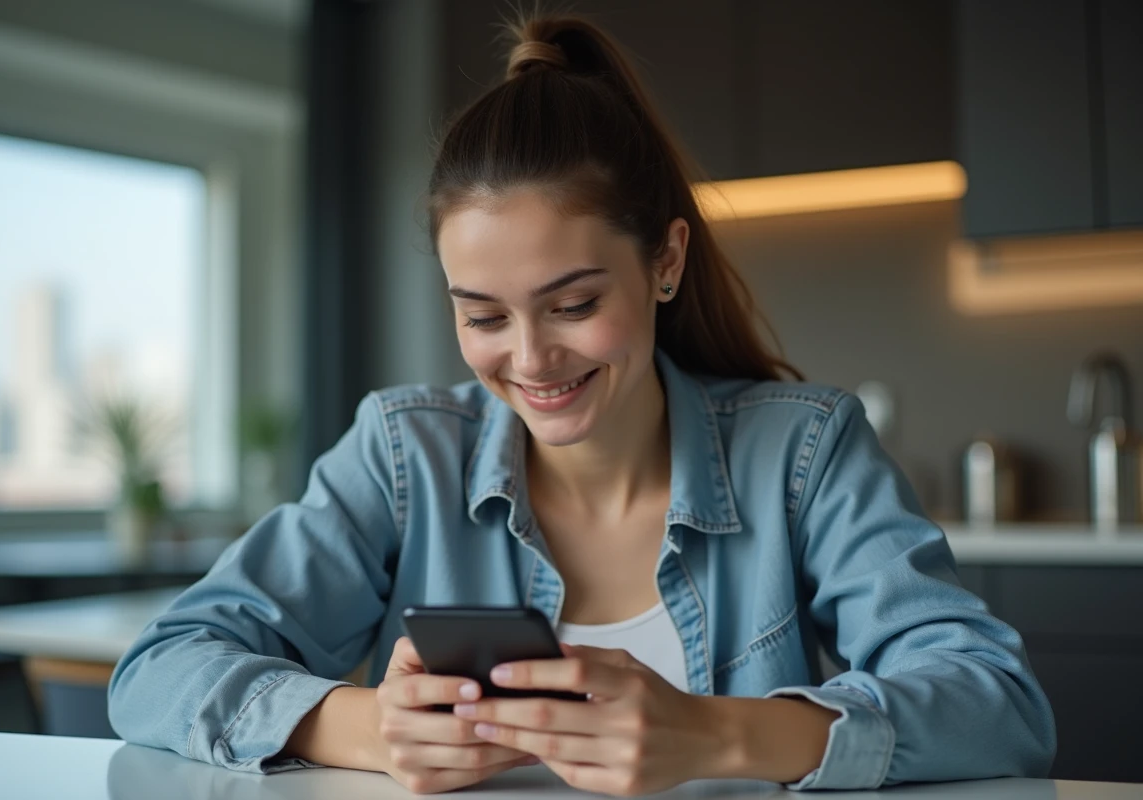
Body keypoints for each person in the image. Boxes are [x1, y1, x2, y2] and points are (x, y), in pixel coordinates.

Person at [108, 14, 1055, 796]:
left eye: (574, 305)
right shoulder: (403, 455)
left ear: (667, 261)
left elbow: (998, 704)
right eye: (482, 315)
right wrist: (364, 725)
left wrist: (718, 736)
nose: (529, 360)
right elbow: (160, 668)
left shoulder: (803, 452)